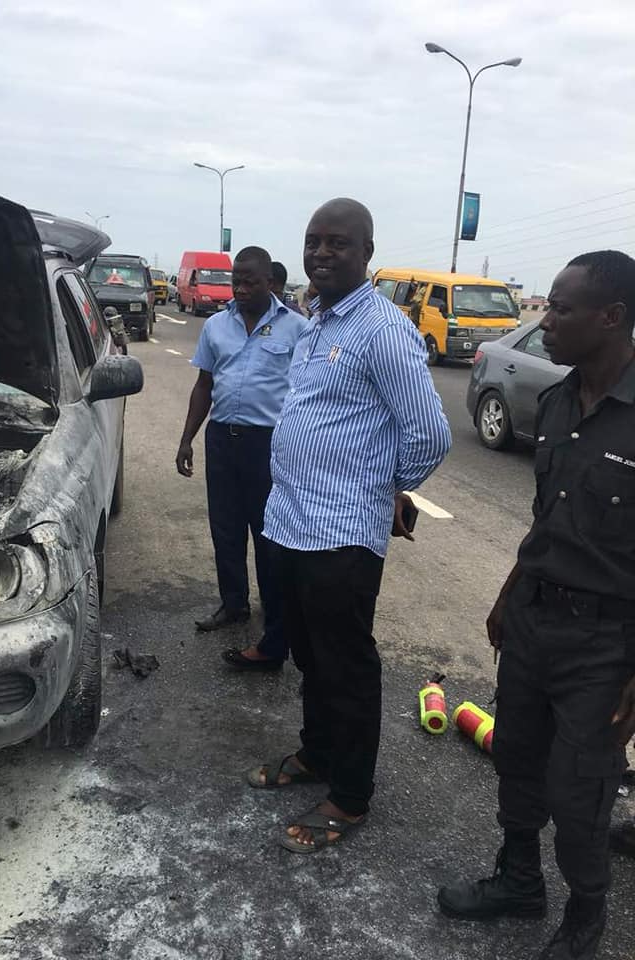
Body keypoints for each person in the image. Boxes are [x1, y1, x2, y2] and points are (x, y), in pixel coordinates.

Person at [438, 250, 635, 960]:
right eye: (546, 305)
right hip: (533, 619)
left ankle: (586, 916)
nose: (544, 321)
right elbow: (547, 522)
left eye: (560, 308)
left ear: (611, 317)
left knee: (579, 790)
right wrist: (507, 595)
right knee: (517, 759)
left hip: (605, 642)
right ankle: (519, 879)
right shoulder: (555, 403)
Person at [248, 198, 451, 851]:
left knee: (346, 665)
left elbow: (430, 434)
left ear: (366, 252)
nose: (321, 253)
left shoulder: (382, 329)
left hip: (340, 534)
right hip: (289, 521)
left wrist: (385, 491)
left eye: (337, 243)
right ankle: (317, 754)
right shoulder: (316, 320)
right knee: (309, 655)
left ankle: (351, 796)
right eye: (314, 241)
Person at [176, 246, 307, 671]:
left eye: (250, 282)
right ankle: (233, 604)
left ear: (270, 283)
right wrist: (187, 439)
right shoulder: (216, 325)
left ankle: (273, 612)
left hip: (268, 445)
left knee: (269, 534)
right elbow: (204, 384)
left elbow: (308, 393)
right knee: (226, 528)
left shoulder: (298, 329)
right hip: (222, 440)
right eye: (237, 281)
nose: (241, 289)